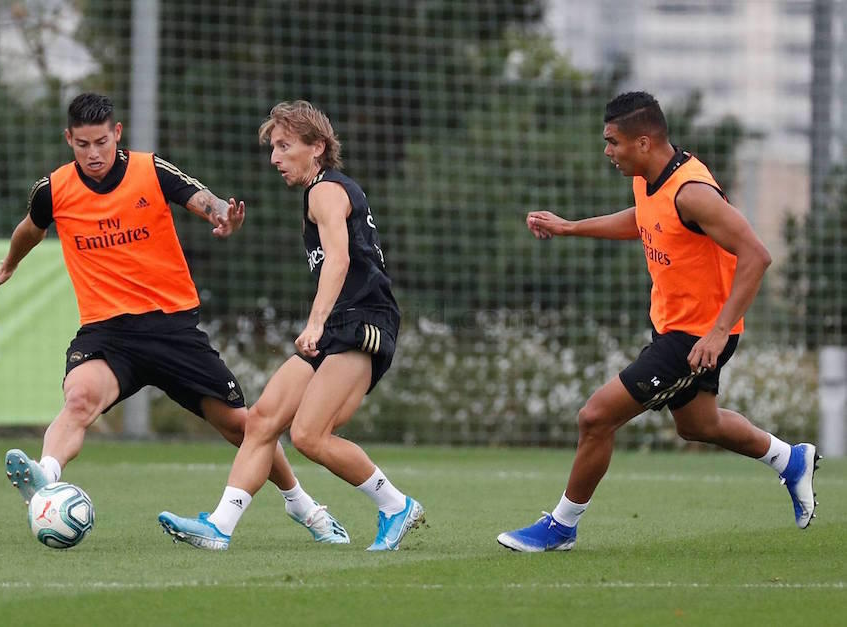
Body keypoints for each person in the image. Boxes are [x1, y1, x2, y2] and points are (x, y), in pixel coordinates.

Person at [0, 92, 349, 547]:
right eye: (82, 145)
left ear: (116, 134)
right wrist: (10, 263)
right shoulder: (54, 189)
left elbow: (203, 199)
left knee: (244, 427)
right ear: (69, 140)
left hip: (171, 328)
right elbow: (30, 228)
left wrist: (224, 217)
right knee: (79, 400)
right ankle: (47, 476)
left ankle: (304, 507)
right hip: (108, 332)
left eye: (100, 142)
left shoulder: (148, 170)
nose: (93, 154)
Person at [498, 91, 820, 553]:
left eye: (613, 142)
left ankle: (562, 526)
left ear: (644, 142)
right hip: (674, 326)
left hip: (696, 337)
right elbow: (644, 219)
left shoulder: (693, 193)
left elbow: (757, 256)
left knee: (595, 418)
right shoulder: (649, 180)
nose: (607, 151)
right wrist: (571, 227)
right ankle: (790, 459)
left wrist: (717, 331)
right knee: (698, 425)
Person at [158, 100, 424, 551]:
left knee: (308, 436)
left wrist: (315, 322)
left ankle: (396, 505)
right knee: (261, 419)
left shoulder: (325, 190)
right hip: (339, 323)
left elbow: (339, 260)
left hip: (361, 323)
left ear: (317, 147)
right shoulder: (317, 193)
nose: (274, 158)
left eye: (285, 146)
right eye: (273, 148)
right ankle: (220, 527)